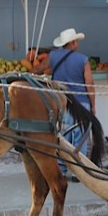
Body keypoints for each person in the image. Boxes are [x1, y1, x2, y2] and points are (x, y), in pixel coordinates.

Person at [34, 28, 96, 182]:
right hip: (81, 103)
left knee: (62, 137)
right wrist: (93, 106)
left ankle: (60, 169)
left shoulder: (53, 56)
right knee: (80, 138)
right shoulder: (83, 60)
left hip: (60, 102)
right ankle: (78, 172)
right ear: (73, 42)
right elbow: (90, 85)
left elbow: (36, 70)